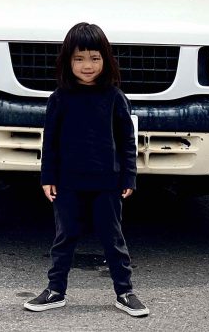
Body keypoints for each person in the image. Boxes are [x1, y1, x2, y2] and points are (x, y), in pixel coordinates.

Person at [24, 22, 149, 318]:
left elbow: (127, 141)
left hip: (107, 183)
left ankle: (125, 292)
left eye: (94, 58)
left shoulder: (115, 97)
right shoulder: (59, 98)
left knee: (113, 238)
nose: (87, 66)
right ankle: (55, 291)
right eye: (79, 59)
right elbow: (50, 141)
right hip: (67, 183)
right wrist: (47, 177)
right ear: (67, 61)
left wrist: (129, 176)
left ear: (106, 59)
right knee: (65, 236)